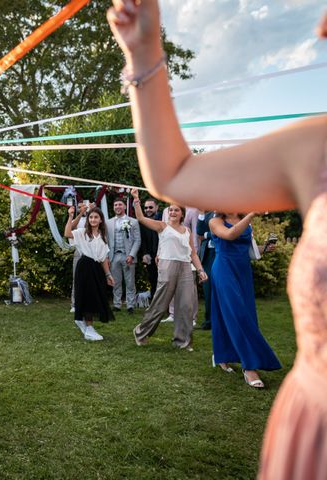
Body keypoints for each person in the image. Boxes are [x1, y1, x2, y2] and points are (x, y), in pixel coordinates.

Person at [107, 3, 327, 478]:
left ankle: (206, 348)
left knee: (194, 308)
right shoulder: (316, 146)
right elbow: (174, 176)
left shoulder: (188, 228)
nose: (322, 25)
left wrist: (199, 258)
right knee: (198, 307)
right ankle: (208, 351)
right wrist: (143, 51)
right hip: (315, 433)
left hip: (206, 266)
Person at [209, 212, 281, 386]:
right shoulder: (215, 221)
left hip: (243, 272)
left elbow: (249, 251)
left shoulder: (246, 223)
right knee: (237, 314)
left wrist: (265, 248)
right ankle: (249, 367)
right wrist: (250, 216)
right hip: (224, 269)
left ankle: (222, 355)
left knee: (242, 313)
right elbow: (230, 235)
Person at [130, 190, 207, 350]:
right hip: (167, 265)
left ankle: (183, 341)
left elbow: (193, 253)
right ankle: (141, 332)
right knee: (160, 304)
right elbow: (141, 218)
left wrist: (200, 270)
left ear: (182, 214)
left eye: (176, 210)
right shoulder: (162, 226)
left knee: (186, 305)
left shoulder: (187, 231)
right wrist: (136, 199)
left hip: (186, 267)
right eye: (170, 210)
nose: (172, 212)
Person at [65, 205, 115, 341]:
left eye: (96, 217)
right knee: (87, 296)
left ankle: (85, 324)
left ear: (100, 220)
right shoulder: (82, 232)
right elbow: (68, 233)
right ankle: (89, 327)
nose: (93, 219)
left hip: (97, 269)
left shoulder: (102, 236)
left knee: (96, 296)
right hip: (85, 266)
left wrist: (108, 274)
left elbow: (104, 257)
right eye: (91, 217)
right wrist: (71, 215)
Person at [106, 198, 140, 313]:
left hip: (128, 255)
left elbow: (137, 240)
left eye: (120, 204)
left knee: (130, 282)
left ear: (125, 207)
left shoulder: (133, 221)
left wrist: (132, 255)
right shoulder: (108, 222)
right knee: (116, 281)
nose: (117, 207)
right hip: (114, 255)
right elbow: (106, 240)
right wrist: (107, 256)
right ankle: (117, 304)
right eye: (115, 205)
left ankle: (130, 305)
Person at [137, 197, 161, 299]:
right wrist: (145, 254)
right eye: (146, 208)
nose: (148, 210)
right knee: (153, 279)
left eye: (150, 207)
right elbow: (142, 240)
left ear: (157, 207)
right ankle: (154, 302)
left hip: (162, 254)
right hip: (150, 256)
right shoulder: (142, 222)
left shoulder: (162, 219)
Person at [197, 211, 216, 330]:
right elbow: (199, 233)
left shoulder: (227, 213)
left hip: (220, 253)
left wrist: (206, 235)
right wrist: (201, 213)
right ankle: (208, 321)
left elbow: (221, 232)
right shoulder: (207, 214)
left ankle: (221, 320)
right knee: (207, 287)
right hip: (207, 255)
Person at [70, 201, 90, 312]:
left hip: (91, 251)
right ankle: (74, 304)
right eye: (79, 207)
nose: (81, 208)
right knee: (76, 278)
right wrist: (79, 214)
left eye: (83, 206)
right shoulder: (76, 220)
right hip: (79, 252)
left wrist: (90, 211)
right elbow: (71, 227)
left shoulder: (91, 217)